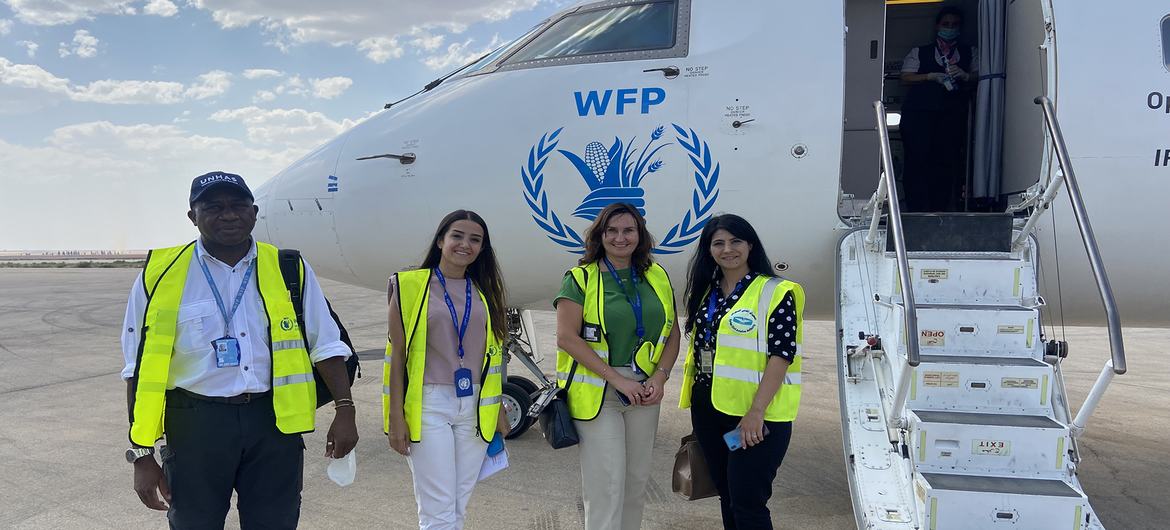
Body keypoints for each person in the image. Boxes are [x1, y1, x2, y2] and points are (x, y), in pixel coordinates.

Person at [122, 171, 358, 529]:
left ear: (254, 211)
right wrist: (141, 455)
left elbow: (325, 344)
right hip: (194, 424)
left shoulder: (288, 267)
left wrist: (345, 410)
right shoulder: (160, 273)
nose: (228, 215)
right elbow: (135, 368)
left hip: (273, 423)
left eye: (238, 205)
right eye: (213, 207)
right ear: (192, 217)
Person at [553, 202, 681, 530]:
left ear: (640, 235)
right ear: (600, 235)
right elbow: (567, 338)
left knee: (635, 484)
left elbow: (671, 332)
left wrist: (661, 377)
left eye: (628, 230)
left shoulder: (656, 276)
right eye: (612, 230)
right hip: (601, 393)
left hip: (645, 392)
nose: (620, 238)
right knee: (606, 487)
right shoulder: (580, 278)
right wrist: (618, 381)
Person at [385, 209, 510, 530]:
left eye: (475, 239)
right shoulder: (409, 286)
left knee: (458, 503)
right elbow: (397, 355)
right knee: (437, 507)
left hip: (476, 406)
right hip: (429, 405)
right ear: (441, 240)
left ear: (482, 249)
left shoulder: (485, 292)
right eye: (457, 235)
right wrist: (395, 417)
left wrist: (497, 409)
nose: (465, 244)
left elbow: (491, 358)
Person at [678, 214, 804, 530]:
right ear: (709, 250)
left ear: (750, 245)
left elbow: (781, 355)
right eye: (718, 243)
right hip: (711, 410)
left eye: (735, 241)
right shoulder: (707, 293)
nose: (727, 249)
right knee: (728, 493)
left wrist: (755, 413)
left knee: (748, 501)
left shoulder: (775, 291)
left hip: (755, 417)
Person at [899, 6, 978, 212]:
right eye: (946, 24)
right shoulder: (920, 51)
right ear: (937, 26)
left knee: (946, 162)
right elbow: (906, 77)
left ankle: (940, 210)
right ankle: (915, 209)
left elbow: (980, 75)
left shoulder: (970, 52)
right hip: (919, 115)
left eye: (954, 25)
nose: (950, 28)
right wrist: (930, 76)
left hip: (951, 116)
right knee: (917, 160)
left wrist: (965, 75)